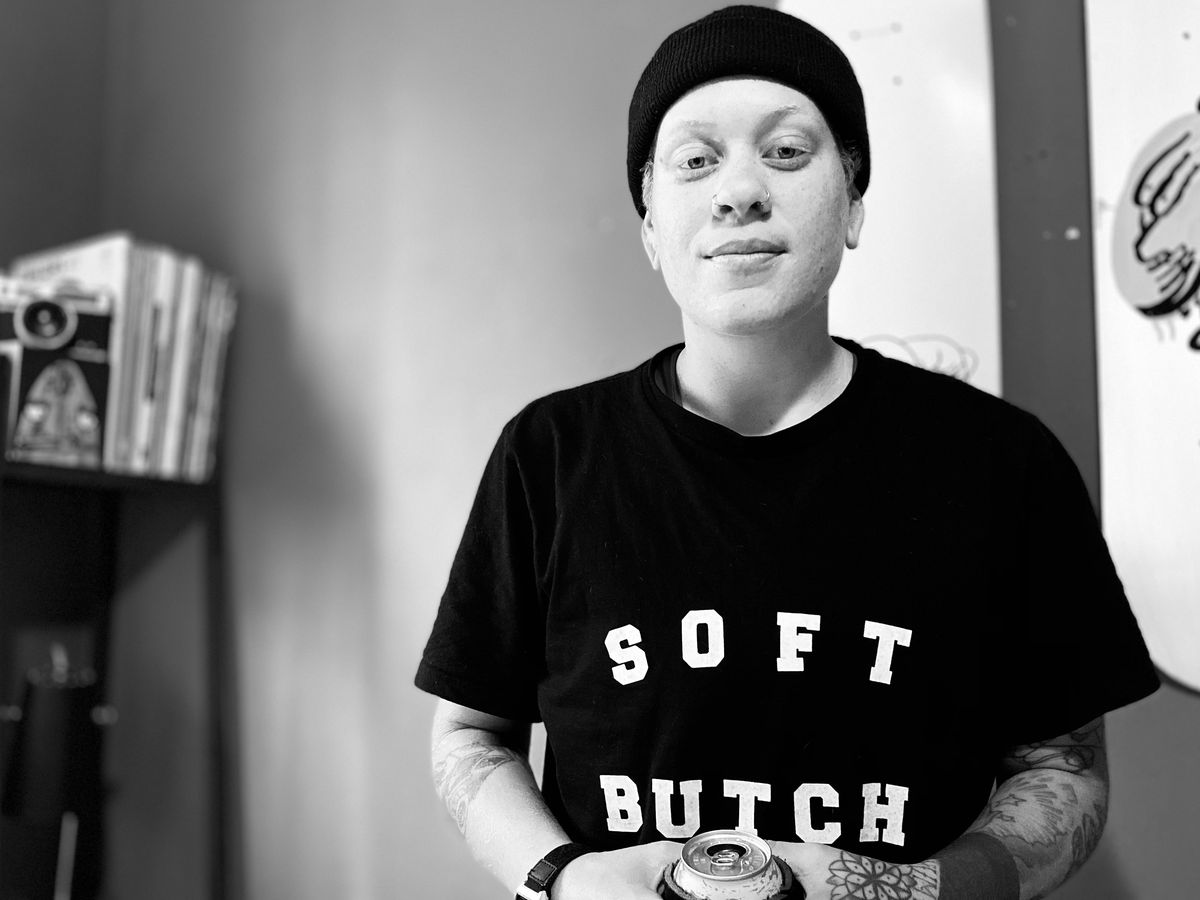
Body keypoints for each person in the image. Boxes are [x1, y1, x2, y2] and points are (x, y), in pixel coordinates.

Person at [415, 6, 1160, 899]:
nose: (739, 191)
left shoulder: (1004, 463)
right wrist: (562, 880)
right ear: (651, 226)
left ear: (853, 203)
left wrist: (917, 891)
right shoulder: (548, 455)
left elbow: (1064, 766)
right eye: (696, 160)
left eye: (786, 151)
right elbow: (472, 733)